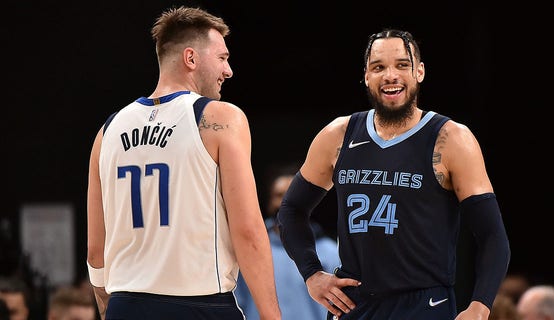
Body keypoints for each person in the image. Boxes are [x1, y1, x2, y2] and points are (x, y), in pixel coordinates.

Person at [277, 28, 511, 320]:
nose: (390, 75)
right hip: (354, 306)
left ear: (420, 72)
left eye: (402, 65)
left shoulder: (451, 139)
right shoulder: (337, 135)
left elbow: (492, 236)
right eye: (379, 67)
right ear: (366, 75)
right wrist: (312, 273)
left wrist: (480, 306)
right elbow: (291, 209)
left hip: (423, 305)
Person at [85, 5, 281, 320]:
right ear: (191, 58)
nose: (228, 70)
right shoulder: (221, 118)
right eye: (222, 58)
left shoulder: (107, 131)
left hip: (125, 305)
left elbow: (96, 250)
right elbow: (247, 231)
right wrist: (273, 316)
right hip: (198, 305)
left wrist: (110, 308)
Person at [235, 164, 341, 320]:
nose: (285, 202)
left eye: (291, 195)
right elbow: (237, 300)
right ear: (269, 201)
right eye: (279, 195)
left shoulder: (331, 252)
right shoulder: (248, 250)